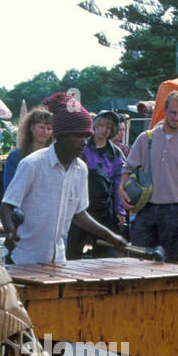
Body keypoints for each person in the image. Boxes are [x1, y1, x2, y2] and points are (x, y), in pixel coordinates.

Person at [0, 93, 129, 265]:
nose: (84, 142)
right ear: (60, 137)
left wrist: (110, 236)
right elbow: (7, 205)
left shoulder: (81, 169)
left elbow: (79, 214)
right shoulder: (32, 164)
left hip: (58, 260)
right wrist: (10, 232)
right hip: (24, 259)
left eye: (86, 136)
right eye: (78, 136)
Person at [118, 91, 178, 263]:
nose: (176, 117)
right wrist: (122, 189)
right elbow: (128, 167)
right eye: (172, 112)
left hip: (172, 210)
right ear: (165, 110)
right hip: (145, 209)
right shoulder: (145, 138)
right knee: (136, 261)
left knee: (166, 265)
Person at [66, 110, 127, 260]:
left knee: (104, 257)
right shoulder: (81, 146)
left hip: (104, 211)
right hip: (79, 209)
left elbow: (119, 184)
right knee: (72, 254)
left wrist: (120, 210)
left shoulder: (116, 154)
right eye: (101, 125)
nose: (104, 130)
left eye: (109, 127)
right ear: (94, 125)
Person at [1, 106, 52, 195]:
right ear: (31, 128)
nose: (45, 132)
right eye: (41, 127)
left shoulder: (54, 155)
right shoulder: (16, 155)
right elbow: (9, 187)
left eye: (49, 128)